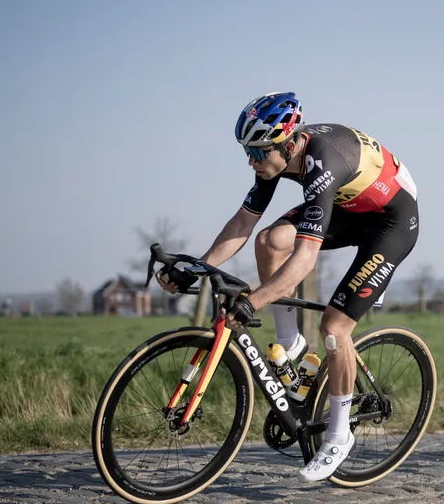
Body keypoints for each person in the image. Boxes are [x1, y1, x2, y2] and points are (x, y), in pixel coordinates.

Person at [156, 92, 419, 481]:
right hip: (349, 210)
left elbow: (303, 261)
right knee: (269, 240)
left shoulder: (322, 164)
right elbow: (242, 225)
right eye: (247, 150)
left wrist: (253, 302)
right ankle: (291, 340)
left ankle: (338, 434)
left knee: (334, 328)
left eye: (258, 153)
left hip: (391, 224)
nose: (251, 160)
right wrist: (198, 267)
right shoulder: (273, 160)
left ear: (288, 143)